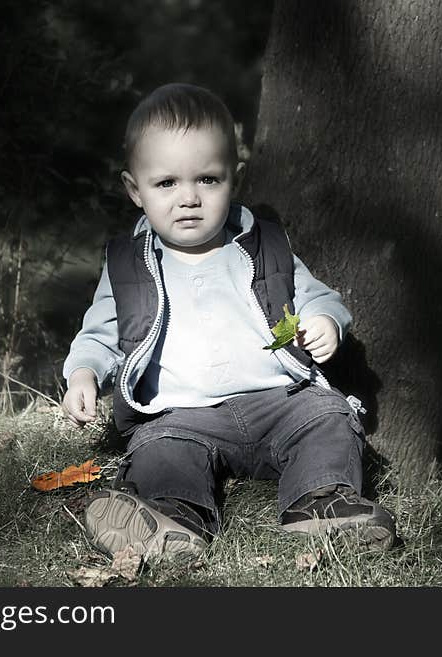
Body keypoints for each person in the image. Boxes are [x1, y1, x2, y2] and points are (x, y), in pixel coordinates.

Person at [61, 82, 395, 562]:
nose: (189, 198)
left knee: (328, 415)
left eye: (208, 180)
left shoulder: (262, 246)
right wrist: (84, 373)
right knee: (161, 449)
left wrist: (324, 319)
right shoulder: (131, 264)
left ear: (233, 180)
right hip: (180, 415)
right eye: (166, 183)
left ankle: (321, 506)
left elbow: (316, 294)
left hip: (279, 404)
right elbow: (100, 333)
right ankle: (172, 519)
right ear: (135, 190)